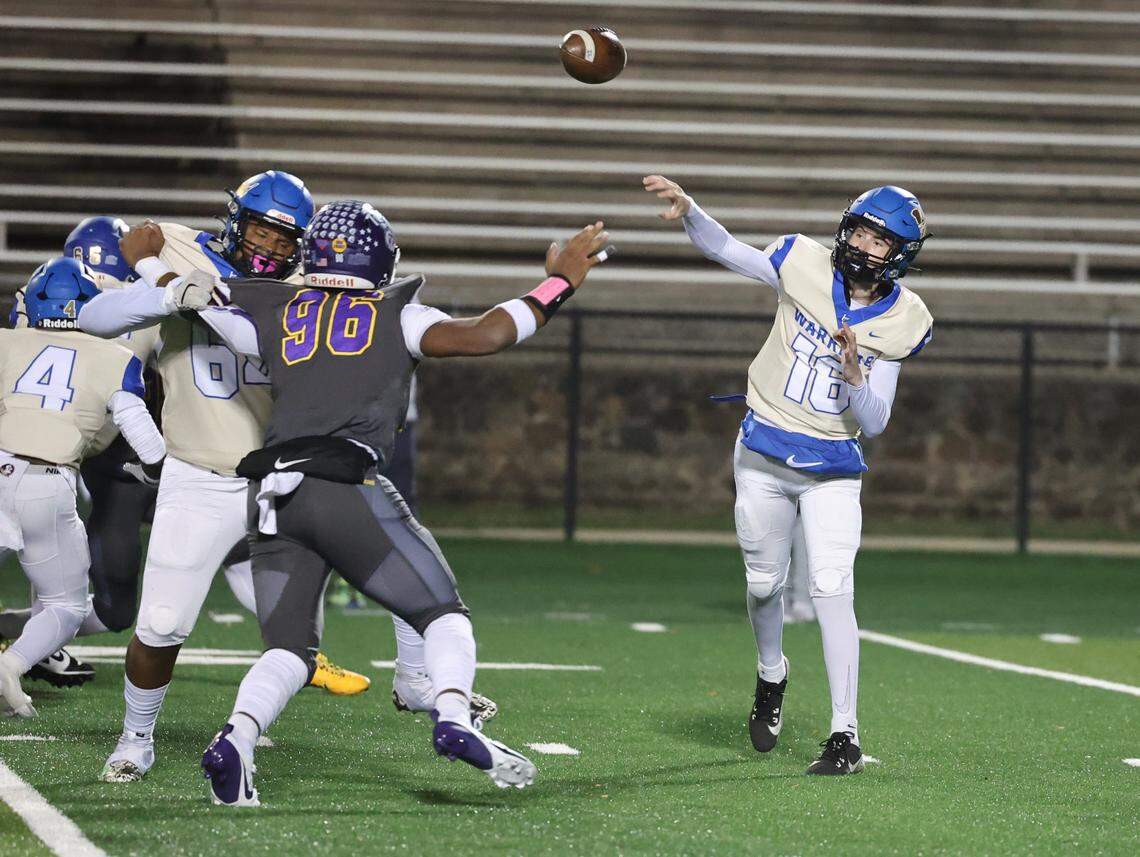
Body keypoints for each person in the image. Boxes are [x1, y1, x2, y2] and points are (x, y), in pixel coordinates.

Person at [101, 199, 609, 804]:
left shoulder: (271, 306)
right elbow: (490, 334)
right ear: (382, 260)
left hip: (273, 496)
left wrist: (150, 264)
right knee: (442, 612)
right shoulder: (399, 314)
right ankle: (453, 715)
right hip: (341, 481)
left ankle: (236, 739)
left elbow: (197, 300)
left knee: (290, 650)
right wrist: (559, 283)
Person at [76, 172, 369, 784]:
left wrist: (178, 283)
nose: (270, 248)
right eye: (261, 231)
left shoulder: (306, 288)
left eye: (285, 240)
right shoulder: (180, 252)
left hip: (282, 482)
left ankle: (427, 687)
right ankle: (136, 738)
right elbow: (96, 318)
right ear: (236, 221)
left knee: (301, 633)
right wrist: (166, 292)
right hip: (200, 473)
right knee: (161, 623)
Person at [645, 174, 932, 775]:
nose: (863, 245)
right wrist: (691, 210)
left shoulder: (905, 318)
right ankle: (771, 672)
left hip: (833, 469)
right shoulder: (802, 261)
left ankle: (845, 734)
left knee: (831, 589)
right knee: (762, 585)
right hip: (764, 453)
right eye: (859, 231)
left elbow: (875, 423)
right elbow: (728, 249)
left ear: (900, 253)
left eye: (879, 240)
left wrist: (856, 378)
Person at [0, 258, 166, 716]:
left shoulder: (7, 341)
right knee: (65, 606)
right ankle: (11, 665)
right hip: (47, 484)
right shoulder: (114, 358)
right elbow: (147, 441)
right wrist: (154, 474)